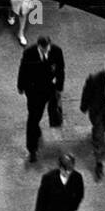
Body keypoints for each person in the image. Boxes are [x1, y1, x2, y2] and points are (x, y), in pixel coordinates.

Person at [16, 34, 65, 163]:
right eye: (43, 48)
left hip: (51, 89)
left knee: (52, 111)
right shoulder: (29, 53)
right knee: (33, 118)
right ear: (39, 46)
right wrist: (20, 86)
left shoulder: (56, 51)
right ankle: (32, 149)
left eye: (47, 48)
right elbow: (23, 71)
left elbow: (61, 70)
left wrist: (59, 87)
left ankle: (52, 121)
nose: (46, 51)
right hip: (34, 92)